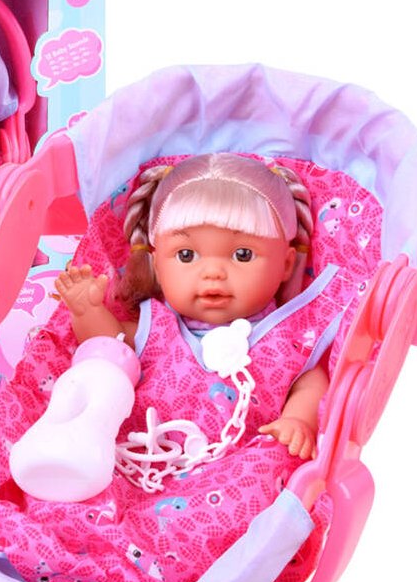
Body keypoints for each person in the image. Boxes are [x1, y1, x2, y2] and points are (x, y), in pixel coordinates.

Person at [55, 152, 325, 461]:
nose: (213, 272)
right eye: (186, 255)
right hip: (145, 461)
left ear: (286, 264)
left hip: (244, 463)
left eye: (243, 255)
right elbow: (107, 349)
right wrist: (88, 311)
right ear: (157, 264)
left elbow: (310, 381)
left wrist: (299, 419)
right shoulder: (155, 326)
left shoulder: (287, 336)